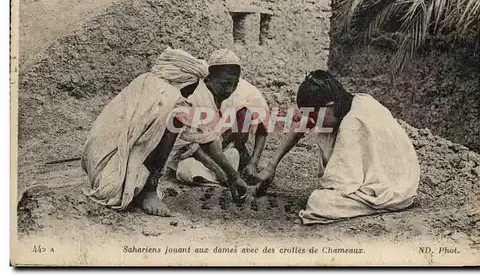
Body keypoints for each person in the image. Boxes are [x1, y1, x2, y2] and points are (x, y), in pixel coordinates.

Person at [81, 48, 248, 217]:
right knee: (174, 121)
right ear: (185, 80)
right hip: (110, 174)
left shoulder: (147, 82)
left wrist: (232, 177)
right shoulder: (168, 97)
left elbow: (204, 135)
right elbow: (206, 139)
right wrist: (233, 177)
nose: (191, 92)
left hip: (99, 163)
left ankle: (139, 184)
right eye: (192, 85)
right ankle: (149, 191)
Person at [255, 70, 420, 224]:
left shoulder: (352, 124)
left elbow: (341, 183)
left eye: (314, 114)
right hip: (395, 177)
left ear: (329, 105)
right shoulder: (353, 101)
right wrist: (271, 165)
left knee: (319, 203)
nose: (312, 121)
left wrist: (326, 191)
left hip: (393, 187)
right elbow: (302, 125)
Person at [164, 49, 269, 186]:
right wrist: (218, 169)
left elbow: (262, 126)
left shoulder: (244, 89)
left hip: (225, 151)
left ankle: (238, 163)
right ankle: (225, 174)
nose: (229, 90)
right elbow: (191, 144)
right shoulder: (194, 94)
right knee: (187, 168)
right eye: (225, 84)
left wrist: (254, 163)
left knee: (244, 118)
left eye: (234, 84)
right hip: (197, 155)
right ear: (208, 79)